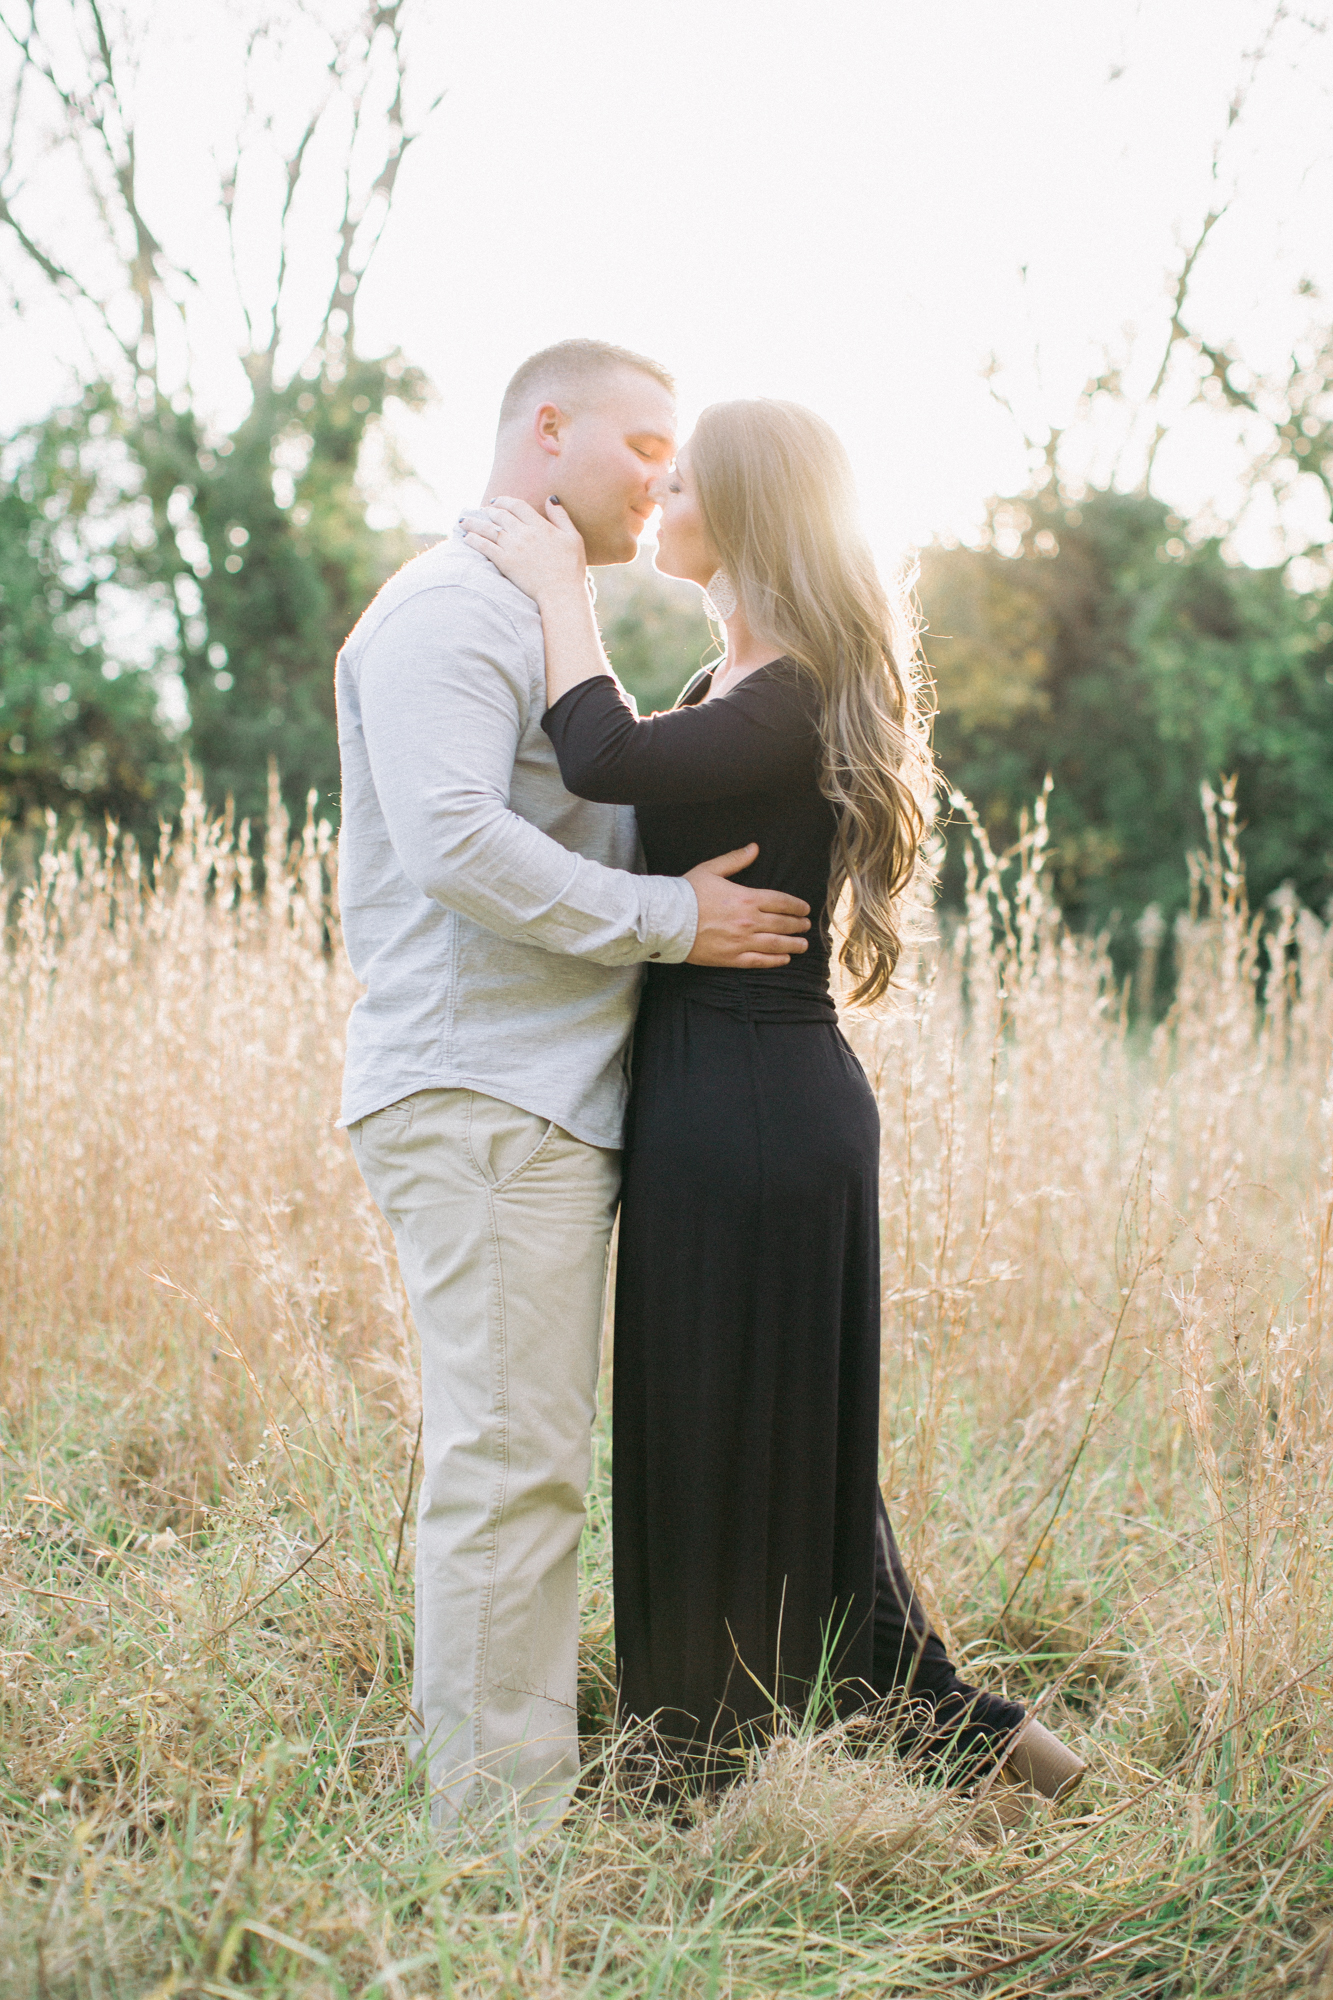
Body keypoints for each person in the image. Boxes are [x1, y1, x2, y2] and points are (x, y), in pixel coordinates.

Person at [461, 400, 1086, 1809]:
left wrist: (561, 591)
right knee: (782, 1469)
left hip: (750, 1115)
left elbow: (600, 759)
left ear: (740, 516)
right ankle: (980, 1768)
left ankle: (713, 1770)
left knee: (742, 1451)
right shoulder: (733, 681)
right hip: (738, 1105)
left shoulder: (783, 692)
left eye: (678, 482)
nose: (655, 498)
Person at [336, 342, 815, 1835]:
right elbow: (456, 846)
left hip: (539, 1099)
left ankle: (512, 1807)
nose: (663, 478)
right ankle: (494, 1850)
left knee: (531, 1463)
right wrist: (677, 921)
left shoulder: (541, 616)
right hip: (482, 1092)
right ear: (546, 430)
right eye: (641, 443)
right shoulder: (446, 610)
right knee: (510, 1470)